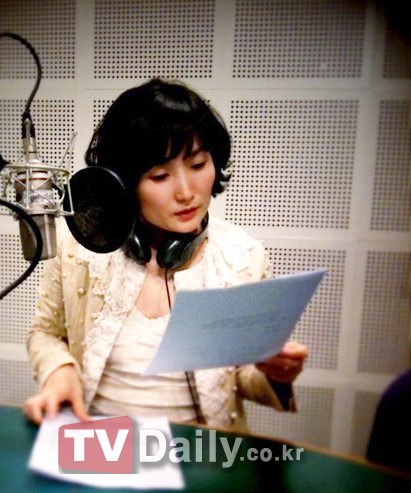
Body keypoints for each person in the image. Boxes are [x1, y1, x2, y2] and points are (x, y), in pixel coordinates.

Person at [23, 79, 308, 430]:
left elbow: (244, 375)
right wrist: (60, 371)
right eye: (160, 176)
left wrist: (275, 372)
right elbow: (45, 332)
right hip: (99, 444)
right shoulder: (79, 246)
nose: (186, 192)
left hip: (199, 451)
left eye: (198, 165)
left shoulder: (243, 257)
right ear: (123, 184)